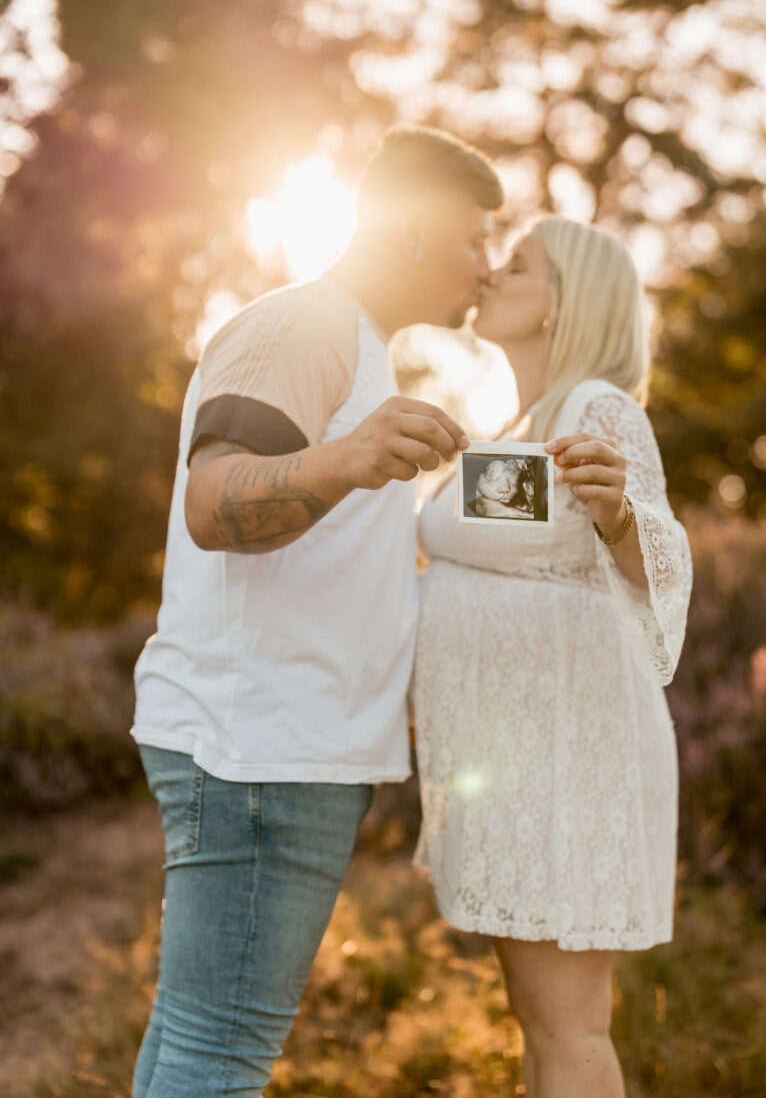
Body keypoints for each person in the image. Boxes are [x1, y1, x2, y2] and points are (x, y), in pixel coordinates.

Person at [129, 125, 503, 1098]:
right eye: (474, 238)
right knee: (220, 1054)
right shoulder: (304, 326)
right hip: (260, 748)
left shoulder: (358, 346)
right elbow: (214, 503)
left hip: (280, 744)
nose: (486, 263)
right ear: (414, 229)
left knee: (198, 1037)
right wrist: (346, 458)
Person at [411, 215, 692, 1098]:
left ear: (561, 303)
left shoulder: (596, 407)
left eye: (519, 265)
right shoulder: (522, 424)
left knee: (568, 1026)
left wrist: (620, 518)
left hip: (569, 760)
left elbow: (662, 558)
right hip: (517, 763)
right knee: (540, 1020)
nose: (492, 272)